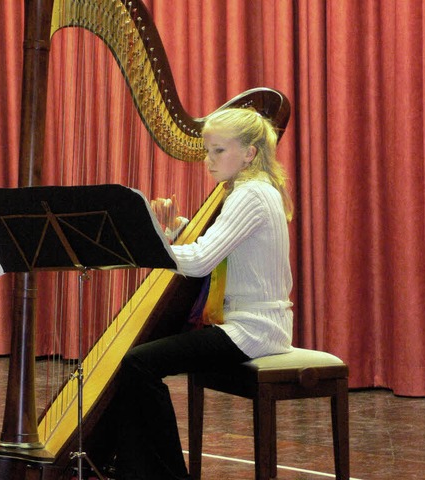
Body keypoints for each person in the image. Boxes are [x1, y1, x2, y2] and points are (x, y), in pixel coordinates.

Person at [112, 108, 294, 479]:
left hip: (255, 329)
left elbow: (199, 263)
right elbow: (216, 249)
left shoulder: (251, 195)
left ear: (250, 154)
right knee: (135, 360)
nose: (209, 161)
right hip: (246, 323)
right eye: (207, 151)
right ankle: (134, 469)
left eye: (218, 151)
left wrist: (142, 244)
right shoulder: (251, 189)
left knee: (138, 363)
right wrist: (179, 228)